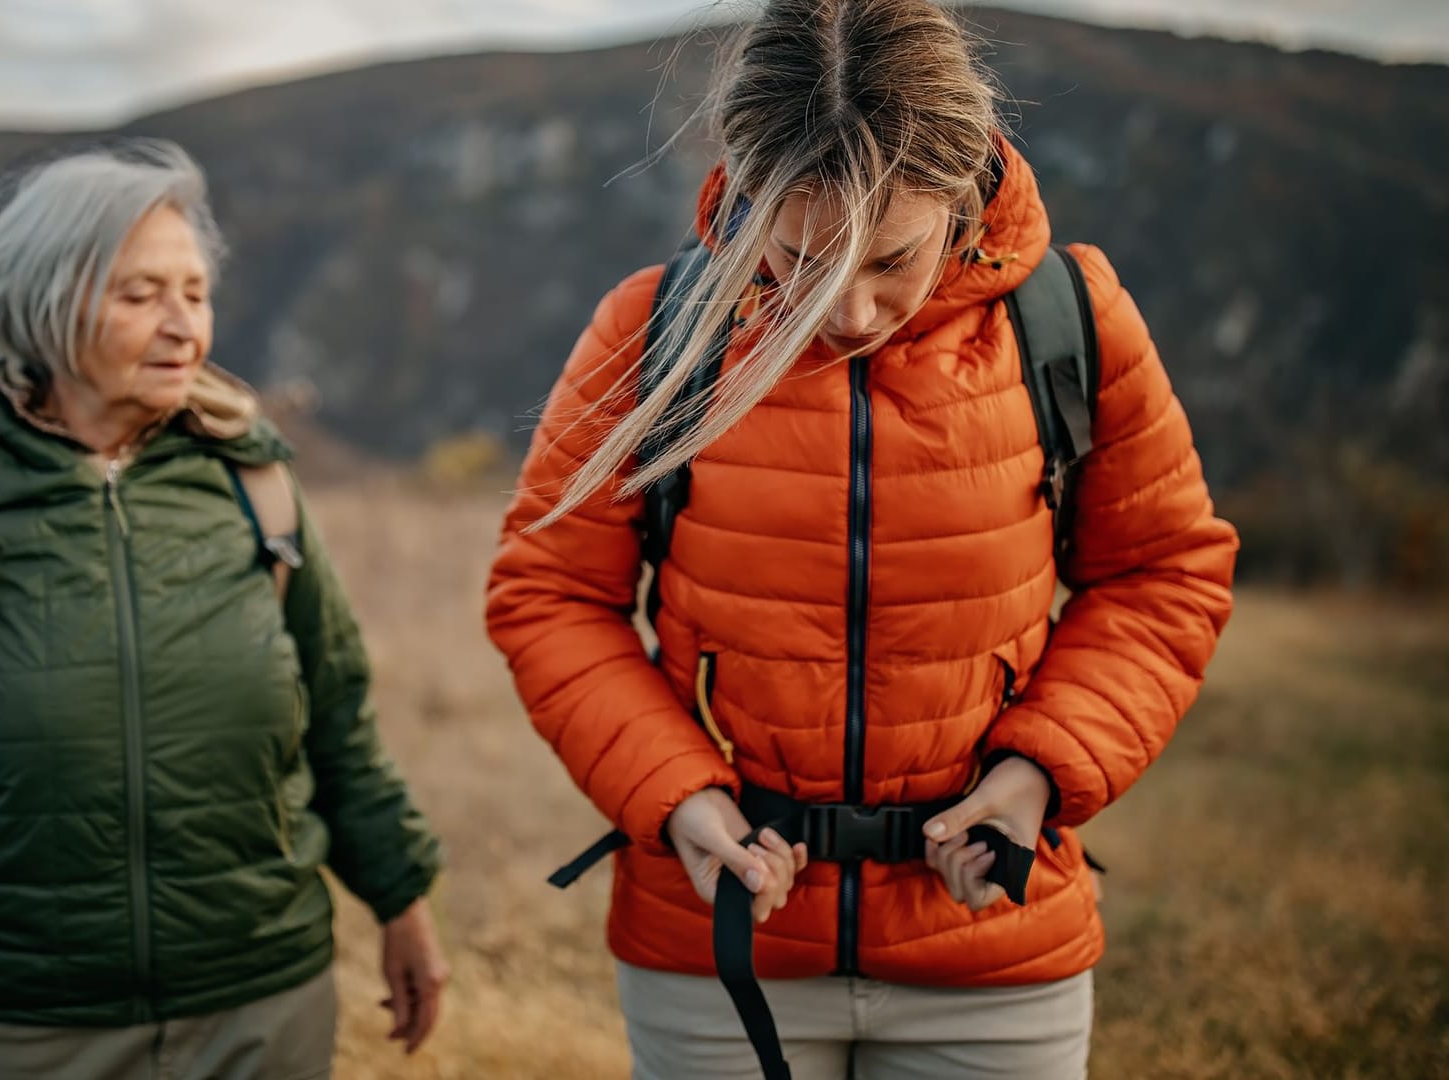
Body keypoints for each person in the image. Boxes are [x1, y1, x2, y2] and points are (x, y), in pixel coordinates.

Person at [484, 2, 1238, 1076]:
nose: (849, 311)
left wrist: (1036, 776)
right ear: (743, 188)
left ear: (963, 186)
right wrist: (679, 796)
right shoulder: (652, 330)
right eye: (798, 257)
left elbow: (1163, 573)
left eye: (891, 256)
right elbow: (548, 592)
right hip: (719, 951)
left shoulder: (1071, 320)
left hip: (992, 955)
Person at [0, 140, 446, 1080]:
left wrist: (403, 905)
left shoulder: (254, 482)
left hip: (259, 1001)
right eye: (140, 293)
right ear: (47, 300)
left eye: (194, 291)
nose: (182, 324)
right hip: (11, 1019)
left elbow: (339, 722)